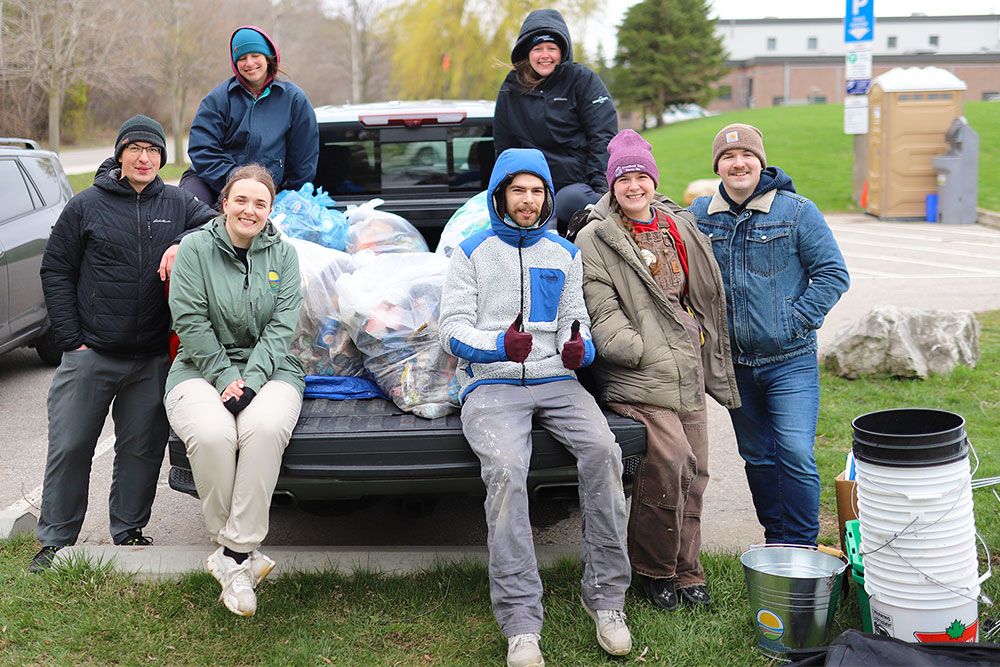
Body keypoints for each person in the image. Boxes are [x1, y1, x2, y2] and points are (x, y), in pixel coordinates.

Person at [439, 148, 632, 667]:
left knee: (604, 454)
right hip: (491, 384)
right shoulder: (471, 251)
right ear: (500, 194)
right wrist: (499, 345)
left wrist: (580, 349)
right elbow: (451, 328)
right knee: (506, 470)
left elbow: (578, 321)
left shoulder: (563, 253)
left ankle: (607, 600)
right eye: (518, 190)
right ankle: (522, 623)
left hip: (556, 380)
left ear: (547, 196)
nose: (528, 200)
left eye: (537, 191)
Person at [31, 115, 216, 572]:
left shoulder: (178, 203)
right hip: (90, 355)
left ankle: (129, 531)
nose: (143, 157)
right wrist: (72, 341)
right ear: (120, 154)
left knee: (141, 450)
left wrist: (181, 241)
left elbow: (217, 227)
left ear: (161, 158)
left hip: (151, 357)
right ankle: (55, 540)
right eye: (134, 148)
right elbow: (55, 270)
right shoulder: (86, 205)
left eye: (152, 151)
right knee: (71, 446)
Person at [574, 130, 740, 612]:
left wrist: (700, 340)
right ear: (612, 184)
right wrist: (639, 348)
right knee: (670, 465)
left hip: (686, 367)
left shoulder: (675, 225)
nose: (634, 186)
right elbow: (602, 312)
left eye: (641, 176)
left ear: (653, 180)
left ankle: (688, 570)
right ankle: (653, 570)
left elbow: (702, 291)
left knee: (699, 472)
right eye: (624, 178)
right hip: (639, 372)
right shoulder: (596, 237)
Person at [689, 124, 850, 546]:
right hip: (735, 365)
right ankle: (776, 542)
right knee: (758, 458)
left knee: (794, 452)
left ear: (761, 161)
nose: (737, 163)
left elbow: (833, 274)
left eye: (746, 156)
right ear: (718, 167)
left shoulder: (797, 212)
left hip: (789, 361)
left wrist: (795, 321)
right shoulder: (699, 217)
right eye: (727, 157)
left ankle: (802, 545)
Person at [164, 164, 304, 617]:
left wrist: (254, 380)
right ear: (224, 203)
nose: (249, 209)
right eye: (240, 200)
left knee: (262, 429)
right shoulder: (193, 250)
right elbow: (189, 319)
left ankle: (233, 556)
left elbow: (283, 326)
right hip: (199, 368)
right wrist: (226, 378)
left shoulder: (282, 254)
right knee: (211, 435)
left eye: (260, 203)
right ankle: (242, 558)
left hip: (274, 368)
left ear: (269, 210)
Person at [494, 8, 617, 235]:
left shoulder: (582, 79)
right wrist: (504, 187)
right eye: (538, 48)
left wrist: (600, 188)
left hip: (577, 183)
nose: (545, 55)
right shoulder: (511, 88)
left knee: (571, 201)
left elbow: (603, 135)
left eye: (552, 48)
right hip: (532, 182)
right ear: (527, 52)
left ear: (562, 51)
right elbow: (503, 144)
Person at [180, 25, 319, 207]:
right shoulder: (218, 99)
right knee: (188, 210)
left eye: (255, 56)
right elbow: (202, 150)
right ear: (235, 63)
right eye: (242, 58)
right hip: (214, 183)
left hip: (269, 191)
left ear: (268, 58)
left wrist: (282, 194)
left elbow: (303, 161)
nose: (249, 63)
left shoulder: (294, 100)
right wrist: (239, 185)